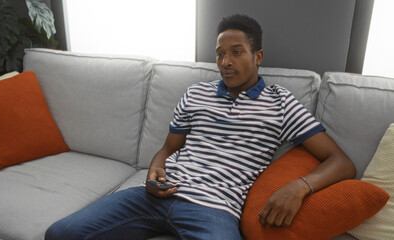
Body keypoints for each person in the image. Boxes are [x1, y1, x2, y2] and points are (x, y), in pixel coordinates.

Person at [45, 14, 356, 240]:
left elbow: (342, 163)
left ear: (257, 56)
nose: (225, 62)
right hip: (154, 195)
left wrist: (299, 187)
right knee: (59, 233)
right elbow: (169, 148)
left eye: (236, 52)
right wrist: (156, 167)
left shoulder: (281, 103)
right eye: (220, 54)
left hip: (215, 208)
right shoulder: (197, 93)